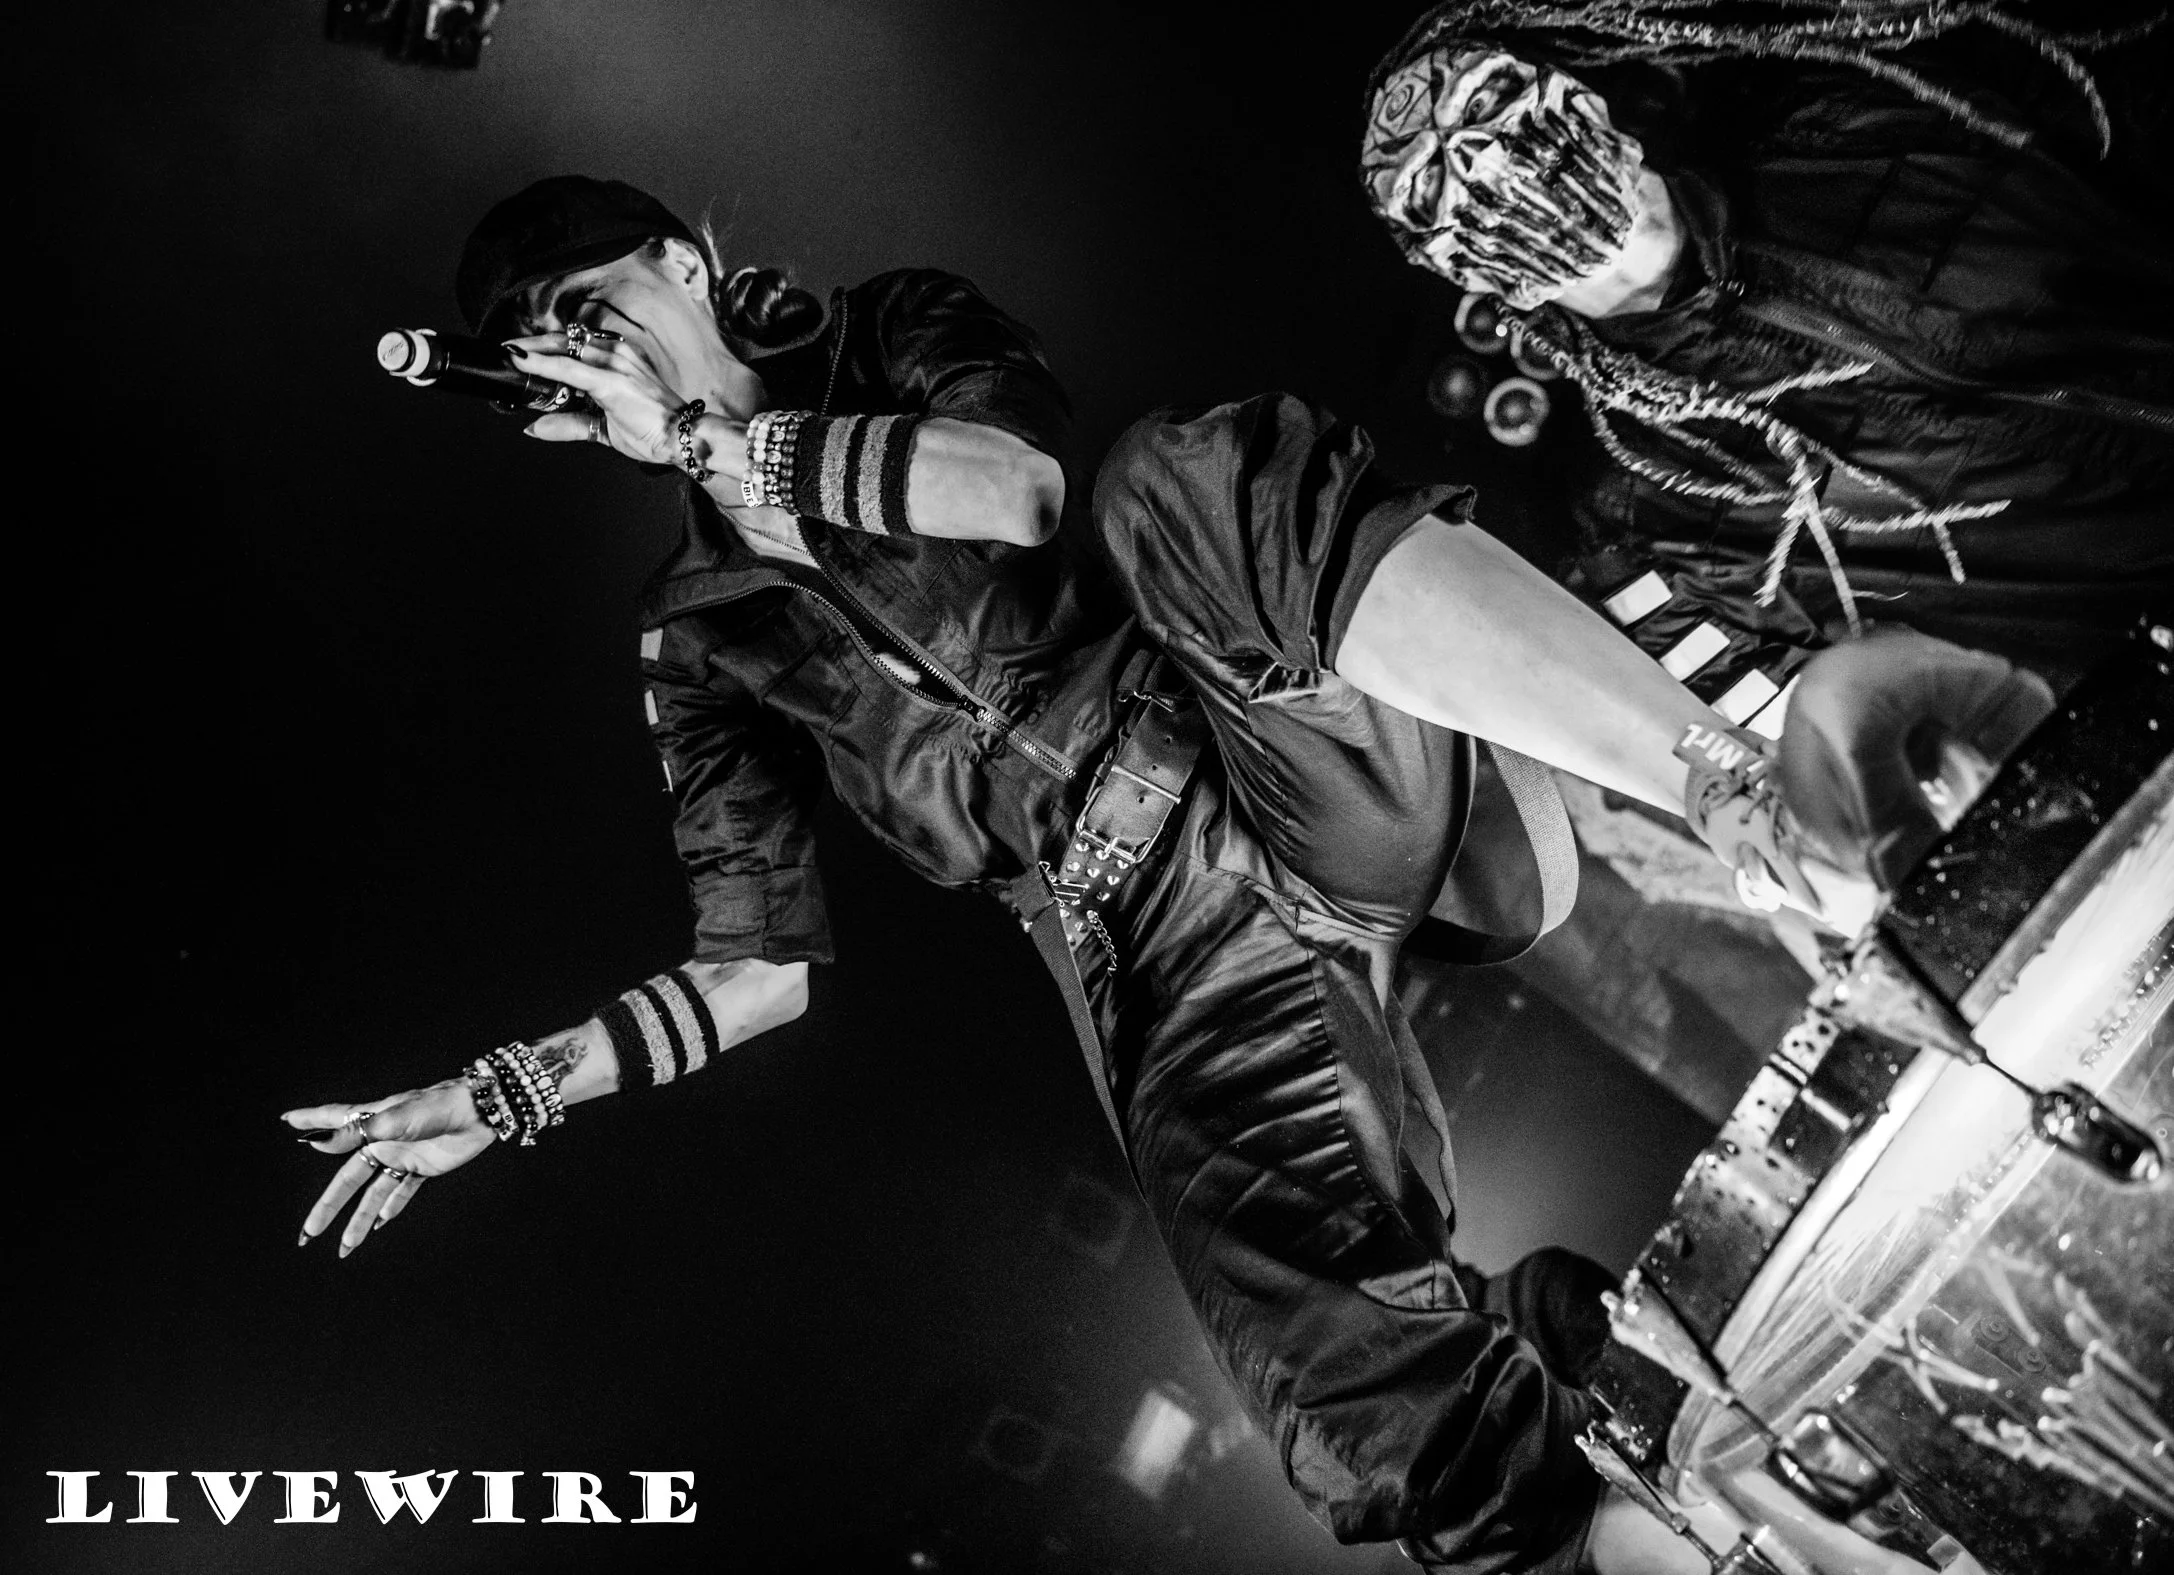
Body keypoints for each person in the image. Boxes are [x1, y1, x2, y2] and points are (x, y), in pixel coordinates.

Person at [283, 174, 1863, 1574]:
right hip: (1150, 956)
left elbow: (1017, 486)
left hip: (1270, 745)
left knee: (1170, 479)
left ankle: (1728, 785)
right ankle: (1618, 1492)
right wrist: (512, 1088)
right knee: (1334, 1386)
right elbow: (755, 967)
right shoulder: (698, 637)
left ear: (682, 266)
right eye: (546, 350)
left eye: (593, 303)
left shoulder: (885, 331)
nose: (586, 350)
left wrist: (718, 438)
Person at [1360, 0, 2173, 725]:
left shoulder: (1845, 116)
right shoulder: (1640, 530)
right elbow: (1818, 744)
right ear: (1472, 277)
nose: (1490, 161)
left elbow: (2108, 111)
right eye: (1434, 187)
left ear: (1580, 92)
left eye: (1490, 105)